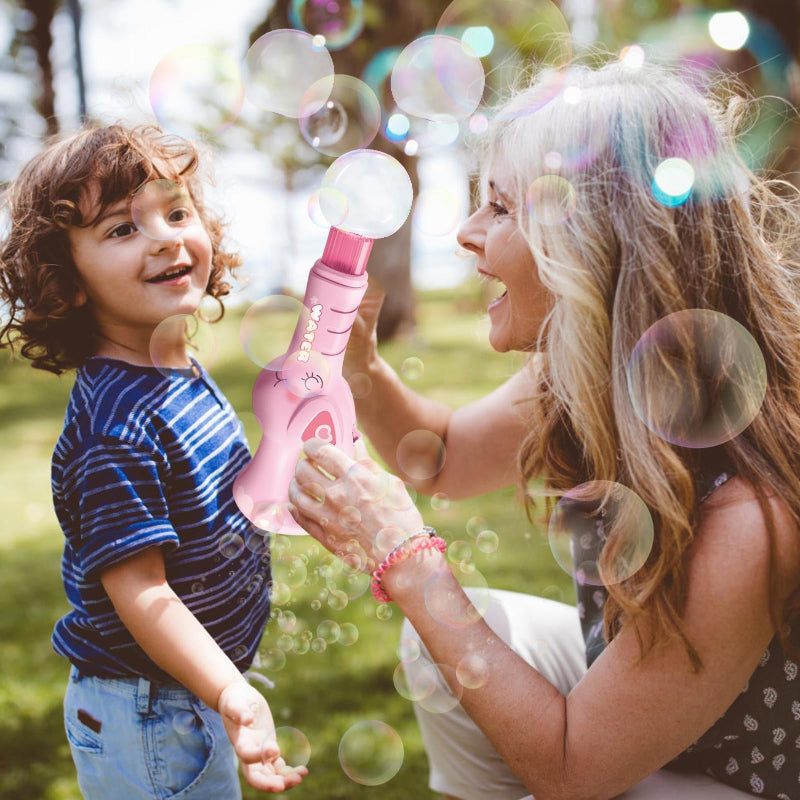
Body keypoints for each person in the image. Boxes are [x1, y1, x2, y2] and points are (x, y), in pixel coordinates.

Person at [287, 60, 800, 800]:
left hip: (738, 779)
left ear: (596, 246)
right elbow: (445, 458)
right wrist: (359, 367)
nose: (466, 234)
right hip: (642, 719)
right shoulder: (593, 370)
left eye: (500, 209)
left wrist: (408, 559)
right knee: (468, 638)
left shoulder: (752, 511)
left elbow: (573, 769)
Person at [0, 124, 307, 798]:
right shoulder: (115, 427)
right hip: (148, 713)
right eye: (122, 229)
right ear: (67, 281)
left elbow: (214, 496)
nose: (165, 238)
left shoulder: (175, 368)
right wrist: (231, 693)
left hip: (186, 687)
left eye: (176, 212)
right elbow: (141, 590)